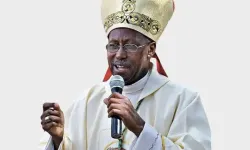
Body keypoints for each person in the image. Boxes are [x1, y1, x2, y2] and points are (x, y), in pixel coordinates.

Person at [38, 0, 211, 149]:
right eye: (113, 45)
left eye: (130, 46)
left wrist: (139, 127)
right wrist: (57, 139)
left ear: (150, 50)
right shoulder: (87, 102)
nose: (119, 54)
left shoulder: (183, 101)